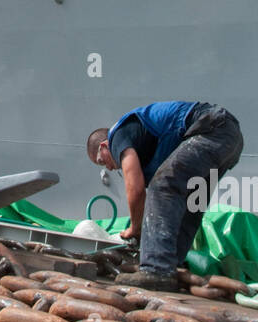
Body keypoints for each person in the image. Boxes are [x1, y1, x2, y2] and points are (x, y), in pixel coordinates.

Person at [86, 101, 243, 291]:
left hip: (211, 129)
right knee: (190, 204)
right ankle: (172, 265)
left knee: (162, 186)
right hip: (229, 138)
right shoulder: (146, 148)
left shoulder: (118, 136)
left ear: (104, 146)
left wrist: (135, 229)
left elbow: (135, 189)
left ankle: (157, 269)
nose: (108, 167)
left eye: (102, 161)